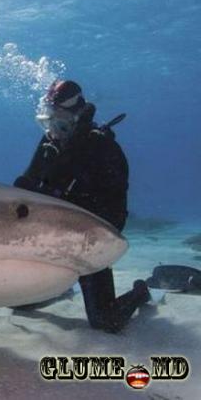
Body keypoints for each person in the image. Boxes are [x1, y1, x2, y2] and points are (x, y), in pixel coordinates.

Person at [14, 79, 150, 333]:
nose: (52, 129)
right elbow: (25, 184)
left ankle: (141, 292)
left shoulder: (103, 148)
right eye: (48, 121)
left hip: (89, 240)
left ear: (77, 116)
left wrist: (90, 243)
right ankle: (60, 289)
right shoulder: (49, 144)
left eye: (58, 121)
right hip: (51, 232)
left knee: (106, 321)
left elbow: (116, 211)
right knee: (19, 305)